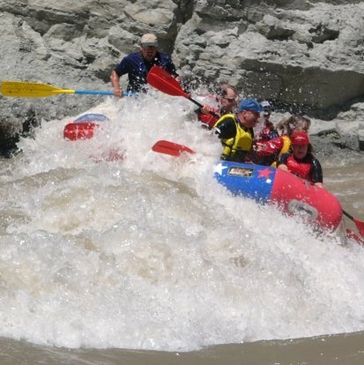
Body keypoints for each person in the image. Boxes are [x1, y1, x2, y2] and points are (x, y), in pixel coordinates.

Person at [110, 33, 178, 96]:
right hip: (134, 98)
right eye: (146, 46)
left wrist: (178, 81)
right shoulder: (131, 60)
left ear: (157, 47)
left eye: (153, 46)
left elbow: (175, 77)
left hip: (158, 98)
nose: (150, 49)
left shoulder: (165, 60)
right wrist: (116, 88)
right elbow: (115, 73)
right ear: (141, 47)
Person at [213, 98, 262, 162]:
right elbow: (210, 140)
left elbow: (249, 153)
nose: (258, 117)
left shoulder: (249, 130)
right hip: (219, 163)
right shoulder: (229, 123)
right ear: (245, 113)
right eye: (256, 114)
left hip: (235, 167)